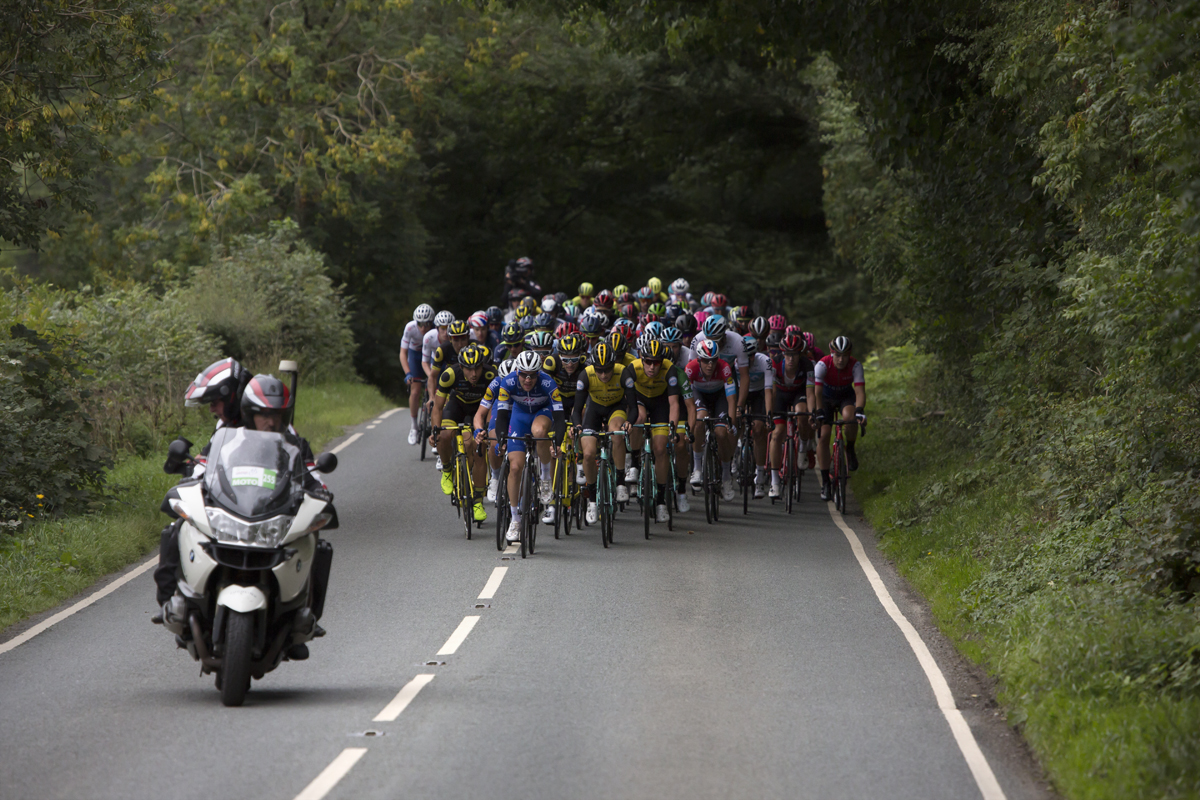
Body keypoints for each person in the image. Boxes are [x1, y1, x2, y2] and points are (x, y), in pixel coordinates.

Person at [493, 350, 566, 540]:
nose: (527, 379)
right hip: (519, 417)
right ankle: (515, 519)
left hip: (542, 413)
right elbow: (501, 416)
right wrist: (501, 439)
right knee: (515, 467)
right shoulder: (507, 382)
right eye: (524, 374)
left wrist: (557, 442)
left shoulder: (548, 383)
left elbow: (559, 418)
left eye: (532, 375)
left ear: (538, 373)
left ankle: (545, 476)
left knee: (539, 431)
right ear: (517, 372)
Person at [571, 343, 636, 524]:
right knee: (589, 453)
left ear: (613, 364)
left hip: (616, 408)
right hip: (594, 410)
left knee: (616, 433)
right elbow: (577, 410)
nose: (604, 375)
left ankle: (621, 482)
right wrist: (577, 426)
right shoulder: (586, 375)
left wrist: (629, 422)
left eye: (607, 369)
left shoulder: (623, 372)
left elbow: (633, 406)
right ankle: (592, 500)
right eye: (599, 371)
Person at [432, 345, 496, 522]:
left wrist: (488, 428)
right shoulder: (449, 375)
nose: (474, 373)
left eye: (477, 368)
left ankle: (477, 502)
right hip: (456, 406)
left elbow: (494, 406)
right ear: (461, 367)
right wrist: (434, 431)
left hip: (479, 409)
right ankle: (447, 469)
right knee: (444, 436)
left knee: (478, 449)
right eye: (469, 369)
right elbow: (437, 407)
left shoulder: (491, 375)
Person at [626, 339, 681, 522]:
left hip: (661, 405)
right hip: (640, 401)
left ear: (662, 362)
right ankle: (634, 462)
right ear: (641, 358)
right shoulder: (633, 368)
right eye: (648, 361)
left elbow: (674, 403)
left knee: (660, 449)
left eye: (656, 362)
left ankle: (661, 501)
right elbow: (628, 401)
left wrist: (672, 428)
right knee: (638, 419)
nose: (652, 367)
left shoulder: (670, 369)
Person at [685, 338, 738, 501]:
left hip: (719, 397)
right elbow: (687, 402)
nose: (710, 365)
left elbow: (731, 400)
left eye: (713, 361)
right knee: (700, 420)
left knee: (722, 434)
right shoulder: (690, 369)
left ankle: (726, 477)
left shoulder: (725, 368)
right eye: (706, 361)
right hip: (699, 395)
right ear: (699, 360)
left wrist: (732, 422)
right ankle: (698, 468)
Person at [814, 336, 866, 500]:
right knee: (824, 435)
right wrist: (819, 411)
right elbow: (816, 392)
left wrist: (859, 410)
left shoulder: (855, 365)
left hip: (845, 397)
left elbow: (859, 392)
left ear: (849, 355)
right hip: (826, 398)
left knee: (849, 417)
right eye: (837, 355)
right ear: (832, 354)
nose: (841, 359)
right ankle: (825, 482)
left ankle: (849, 448)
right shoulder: (822, 364)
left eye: (845, 355)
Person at [769, 333, 817, 498]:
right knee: (777, 433)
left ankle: (803, 449)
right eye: (788, 354)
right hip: (780, 396)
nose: (791, 358)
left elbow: (810, 394)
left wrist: (812, 414)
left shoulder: (808, 366)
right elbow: (773, 392)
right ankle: (774, 482)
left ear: (800, 354)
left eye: (794, 354)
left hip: (799, 394)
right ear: (783, 353)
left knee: (802, 414)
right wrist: (770, 412)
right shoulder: (775, 363)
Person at [740, 335, 776, 498]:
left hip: (759, 393)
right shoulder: (735, 362)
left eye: (752, 355)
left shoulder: (764, 361)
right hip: (741, 392)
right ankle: (736, 453)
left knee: (759, 429)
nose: (749, 359)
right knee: (734, 421)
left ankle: (760, 475)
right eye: (746, 356)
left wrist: (769, 415)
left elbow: (769, 391)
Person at [401, 304, 435, 445]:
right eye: (420, 324)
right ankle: (414, 426)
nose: (423, 328)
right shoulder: (410, 328)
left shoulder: (435, 330)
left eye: (427, 324)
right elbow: (403, 353)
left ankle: (435, 428)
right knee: (415, 391)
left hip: (432, 356)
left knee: (436, 390)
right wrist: (408, 373)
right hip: (415, 356)